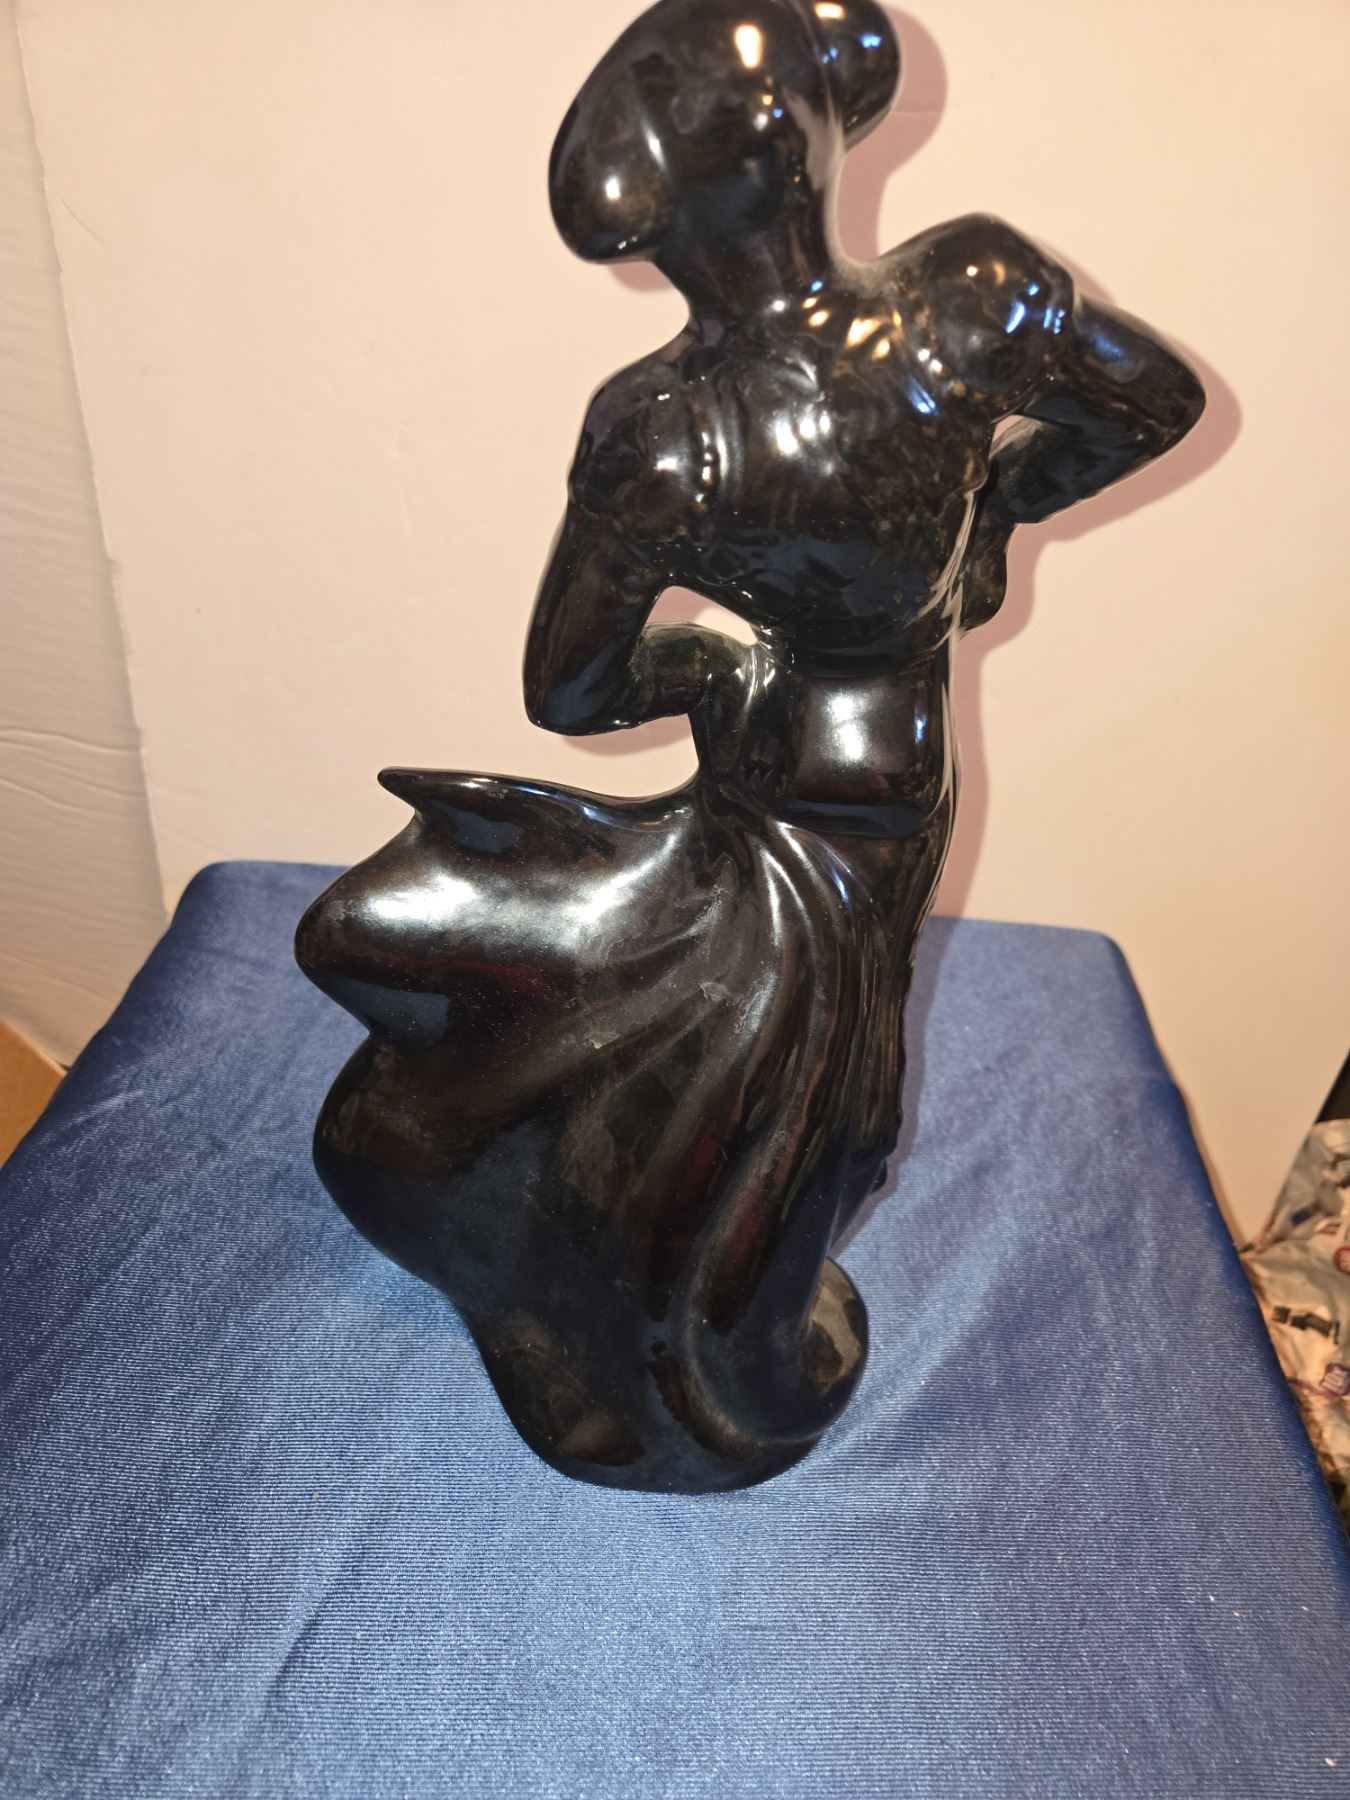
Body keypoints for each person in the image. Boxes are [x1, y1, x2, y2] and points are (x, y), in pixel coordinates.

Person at [297, 0, 1204, 1492]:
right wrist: (989, 512)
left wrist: (716, 664)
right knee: (810, 1106)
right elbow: (1149, 406)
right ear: (818, 148)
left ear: (652, 222)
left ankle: (647, 1276)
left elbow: (571, 690)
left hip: (774, 781)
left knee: (782, 1093)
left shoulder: (665, 431)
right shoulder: (970, 299)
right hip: (879, 788)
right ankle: (700, 1356)